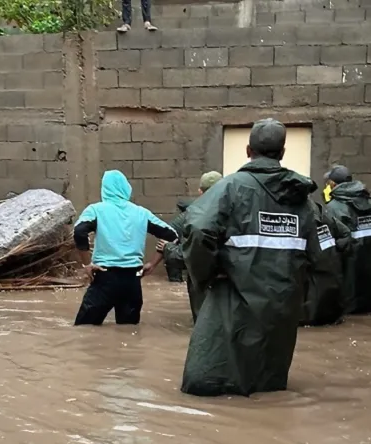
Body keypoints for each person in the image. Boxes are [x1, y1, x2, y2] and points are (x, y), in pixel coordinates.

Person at [180, 119, 324, 397]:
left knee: (207, 383)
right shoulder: (302, 200)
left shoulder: (231, 188)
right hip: (281, 305)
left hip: (235, 298)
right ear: (282, 153)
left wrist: (205, 274)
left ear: (248, 150)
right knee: (266, 385)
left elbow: (197, 228)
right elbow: (318, 254)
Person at [73, 169, 177, 325]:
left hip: (104, 278)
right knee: (128, 331)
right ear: (126, 188)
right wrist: (153, 263)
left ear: (105, 189)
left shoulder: (96, 210)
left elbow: (79, 231)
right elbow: (172, 235)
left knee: (84, 329)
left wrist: (87, 264)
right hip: (132, 280)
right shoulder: (142, 213)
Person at [148, 170, 223, 323]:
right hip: (232, 283)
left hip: (201, 280)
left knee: (206, 325)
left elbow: (190, 254)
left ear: (200, 192)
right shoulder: (240, 212)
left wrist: (155, 261)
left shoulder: (193, 215)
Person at [323, 164, 371, 314]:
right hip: (369, 291)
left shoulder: (333, 208)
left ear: (332, 184)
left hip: (346, 291)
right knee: (367, 318)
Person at [300, 198, 353, 326]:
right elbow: (346, 234)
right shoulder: (323, 212)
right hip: (332, 276)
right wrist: (334, 250)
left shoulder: (301, 216)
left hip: (315, 278)